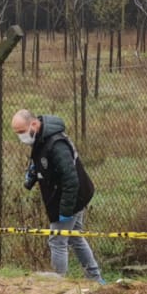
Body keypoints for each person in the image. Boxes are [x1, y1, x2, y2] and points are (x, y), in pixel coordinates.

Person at [12, 109, 103, 283]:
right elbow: (42, 163)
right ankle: (95, 278)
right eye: (17, 133)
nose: (20, 137)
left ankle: (57, 282)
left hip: (71, 197)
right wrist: (32, 174)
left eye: (22, 132)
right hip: (67, 196)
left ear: (34, 124)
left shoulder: (56, 144)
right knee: (75, 237)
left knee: (57, 240)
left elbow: (70, 179)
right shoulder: (40, 139)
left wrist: (66, 210)